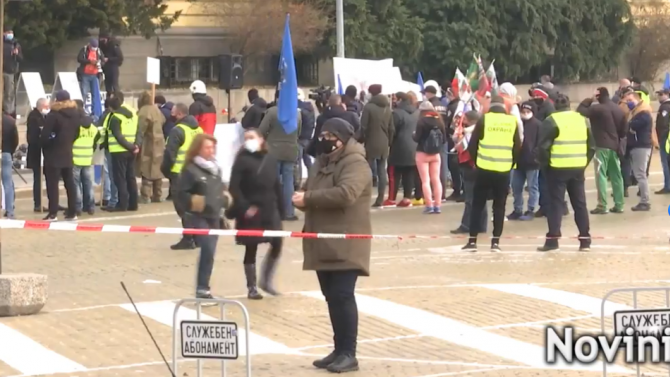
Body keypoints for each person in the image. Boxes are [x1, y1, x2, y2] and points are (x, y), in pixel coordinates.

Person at [293, 118, 371, 373]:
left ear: (342, 138)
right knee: (331, 298)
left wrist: (310, 198)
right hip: (321, 240)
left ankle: (349, 353)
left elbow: (346, 193)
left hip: (345, 242)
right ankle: (338, 350)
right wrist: (301, 198)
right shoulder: (321, 162)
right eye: (322, 134)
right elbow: (310, 188)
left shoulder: (356, 163)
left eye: (329, 135)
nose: (323, 139)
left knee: (342, 296)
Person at [226, 128, 283, 299]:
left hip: (269, 208)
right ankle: (252, 287)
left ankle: (266, 280)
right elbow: (234, 188)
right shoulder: (242, 161)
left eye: (252, 137)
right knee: (251, 247)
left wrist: (283, 207)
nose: (248, 140)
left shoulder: (270, 159)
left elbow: (276, 184)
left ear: (261, 139)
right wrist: (244, 207)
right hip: (250, 210)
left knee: (277, 243)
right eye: (246, 138)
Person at [462, 95, 522, 252]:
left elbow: (472, 145)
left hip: (483, 169)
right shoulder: (512, 122)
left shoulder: (484, 120)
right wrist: (510, 164)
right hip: (503, 171)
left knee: (478, 205)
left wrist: (477, 162)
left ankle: (472, 241)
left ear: (490, 106)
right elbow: (517, 147)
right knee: (499, 206)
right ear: (504, 107)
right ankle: (495, 242)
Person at [175, 133, 232, 300]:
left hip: (214, 216)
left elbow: (220, 189)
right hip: (197, 216)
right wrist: (193, 202)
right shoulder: (190, 170)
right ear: (198, 149)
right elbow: (180, 193)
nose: (210, 150)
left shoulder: (215, 169)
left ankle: (204, 287)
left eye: (212, 147)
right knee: (207, 246)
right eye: (207, 147)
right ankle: (202, 289)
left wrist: (226, 199)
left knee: (210, 252)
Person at [536, 94, 594, 252]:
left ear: (554, 105)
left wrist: (546, 166)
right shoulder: (582, 119)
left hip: (557, 168)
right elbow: (592, 146)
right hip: (577, 167)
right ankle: (585, 240)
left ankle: (553, 240)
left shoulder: (551, 120)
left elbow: (543, 148)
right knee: (580, 204)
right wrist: (583, 162)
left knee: (556, 204)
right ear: (570, 104)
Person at [576, 87, 627, 214]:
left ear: (598, 96)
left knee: (601, 176)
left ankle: (602, 205)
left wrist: (589, 99)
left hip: (601, 146)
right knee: (616, 176)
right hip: (615, 146)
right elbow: (624, 129)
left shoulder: (597, 108)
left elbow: (580, 110)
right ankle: (619, 204)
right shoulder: (618, 109)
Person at [162, 103, 203, 250]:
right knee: (194, 207)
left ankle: (188, 238)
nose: (171, 116)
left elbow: (169, 155)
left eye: (173, 113)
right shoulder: (198, 129)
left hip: (180, 174)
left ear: (179, 114)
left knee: (183, 208)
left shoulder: (177, 131)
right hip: (196, 173)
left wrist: (167, 172)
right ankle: (197, 237)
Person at [258, 95, 302, 221]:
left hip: (273, 151)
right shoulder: (297, 114)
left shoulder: (272, 112)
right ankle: (289, 212)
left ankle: (272, 211)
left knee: (273, 182)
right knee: (289, 182)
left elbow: (261, 130)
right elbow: (299, 132)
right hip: (291, 151)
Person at [40, 90, 79, 221]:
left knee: (52, 184)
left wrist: (47, 144)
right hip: (67, 151)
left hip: (53, 153)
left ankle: (53, 213)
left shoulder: (53, 115)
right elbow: (76, 133)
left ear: (57, 100)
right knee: (69, 183)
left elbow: (45, 135)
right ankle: (73, 211)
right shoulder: (75, 114)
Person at [450, 111, 487, 234]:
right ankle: (481, 225)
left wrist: (459, 138)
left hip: (471, 167)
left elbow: (464, 147)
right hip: (479, 167)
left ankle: (466, 225)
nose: (462, 122)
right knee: (480, 198)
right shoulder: (480, 131)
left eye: (464, 119)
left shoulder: (472, 133)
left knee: (470, 199)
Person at [360, 84, 394, 207]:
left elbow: (363, 127)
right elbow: (391, 128)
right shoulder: (388, 108)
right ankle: (380, 199)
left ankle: (364, 197)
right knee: (381, 171)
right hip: (384, 143)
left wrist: (359, 139)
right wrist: (389, 142)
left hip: (371, 142)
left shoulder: (368, 107)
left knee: (366, 171)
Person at [105, 92, 139, 212]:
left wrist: (130, 147)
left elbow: (118, 136)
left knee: (120, 179)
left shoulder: (115, 118)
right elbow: (139, 131)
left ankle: (122, 204)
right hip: (131, 150)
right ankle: (133, 204)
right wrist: (135, 146)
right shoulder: (133, 115)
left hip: (119, 151)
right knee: (130, 177)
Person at [508, 101, 541, 220]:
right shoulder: (517, 123)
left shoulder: (537, 125)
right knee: (516, 187)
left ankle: (531, 210)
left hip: (532, 162)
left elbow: (540, 143)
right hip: (518, 161)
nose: (525, 114)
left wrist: (535, 155)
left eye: (528, 111)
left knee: (532, 187)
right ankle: (518, 209)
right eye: (523, 112)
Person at [413, 101, 446, 214]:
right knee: (436, 180)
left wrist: (413, 134)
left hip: (422, 153)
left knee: (425, 181)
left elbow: (416, 138)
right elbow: (444, 139)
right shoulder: (439, 120)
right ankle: (438, 205)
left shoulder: (421, 121)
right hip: (436, 154)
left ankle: (429, 206)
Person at [387, 92, 419, 207]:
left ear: (400, 99)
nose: (394, 101)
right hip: (414, 146)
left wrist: (389, 142)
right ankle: (406, 198)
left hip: (398, 147)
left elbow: (392, 130)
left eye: (396, 99)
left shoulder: (396, 113)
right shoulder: (417, 112)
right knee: (409, 174)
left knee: (394, 174)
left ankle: (391, 198)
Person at [624, 87, 653, 211]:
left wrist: (630, 126)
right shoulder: (637, 113)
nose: (628, 102)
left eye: (631, 100)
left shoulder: (643, 114)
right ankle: (644, 200)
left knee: (640, 175)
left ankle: (645, 201)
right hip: (638, 146)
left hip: (640, 146)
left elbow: (632, 126)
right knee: (639, 174)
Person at [134, 91, 166, 203]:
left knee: (146, 169)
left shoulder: (143, 112)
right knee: (157, 170)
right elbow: (163, 120)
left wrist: (137, 144)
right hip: (160, 142)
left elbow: (140, 130)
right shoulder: (156, 110)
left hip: (149, 143)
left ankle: (145, 195)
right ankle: (158, 195)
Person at [72, 100, 99, 216]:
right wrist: (91, 147)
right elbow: (97, 136)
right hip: (88, 157)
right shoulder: (91, 126)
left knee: (76, 184)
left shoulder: (75, 125)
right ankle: (90, 206)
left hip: (75, 158)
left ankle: (77, 207)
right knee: (88, 183)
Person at [27, 98, 49, 212]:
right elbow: (34, 135)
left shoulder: (41, 116)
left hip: (43, 153)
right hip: (37, 153)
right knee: (38, 178)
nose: (47, 109)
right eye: (46, 106)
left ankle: (50, 202)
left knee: (48, 178)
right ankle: (38, 204)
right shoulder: (34, 117)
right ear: (41, 106)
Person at [442, 87, 463, 202]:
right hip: (456, 137)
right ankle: (459, 189)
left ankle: (457, 190)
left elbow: (450, 122)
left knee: (454, 165)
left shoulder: (453, 107)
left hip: (454, 138)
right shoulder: (458, 105)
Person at [98, 98, 118, 209]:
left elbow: (100, 129)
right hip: (122, 148)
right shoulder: (125, 115)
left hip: (109, 147)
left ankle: (109, 197)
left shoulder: (107, 116)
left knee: (108, 173)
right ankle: (114, 198)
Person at [295, 89, 316, 188]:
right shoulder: (310, 108)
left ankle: (297, 183)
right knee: (307, 161)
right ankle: (313, 181)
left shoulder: (299, 110)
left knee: (298, 162)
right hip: (308, 137)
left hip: (300, 138)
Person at [76, 38, 104, 107]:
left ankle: (95, 110)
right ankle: (82, 108)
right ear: (89, 45)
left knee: (95, 93)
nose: (94, 49)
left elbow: (102, 60)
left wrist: (99, 63)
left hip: (95, 75)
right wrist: (89, 61)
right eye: (92, 47)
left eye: (95, 47)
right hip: (85, 74)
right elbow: (79, 59)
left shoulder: (99, 51)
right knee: (84, 93)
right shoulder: (84, 49)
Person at [1, 111, 17, 218]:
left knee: (7, 182)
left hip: (6, 151)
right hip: (6, 152)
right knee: (8, 183)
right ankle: (9, 210)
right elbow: (15, 140)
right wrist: (10, 151)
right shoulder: (10, 121)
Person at [2, 27, 21, 116]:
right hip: (3, 70)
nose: (9, 34)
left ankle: (8, 112)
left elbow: (20, 59)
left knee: (9, 93)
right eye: (8, 32)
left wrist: (16, 54)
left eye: (11, 32)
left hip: (10, 71)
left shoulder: (15, 44)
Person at [655, 88, 670, 194]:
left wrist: (659, 138)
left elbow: (663, 125)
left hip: (666, 139)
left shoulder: (665, 107)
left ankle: (667, 186)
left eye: (661, 94)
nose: (659, 96)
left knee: (665, 163)